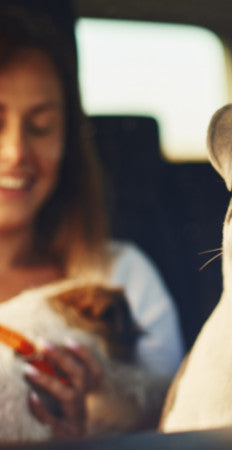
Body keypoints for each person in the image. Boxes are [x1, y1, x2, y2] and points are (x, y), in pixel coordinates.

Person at [0, 6, 184, 438]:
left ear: (69, 140)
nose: (15, 152)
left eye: (41, 126)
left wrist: (91, 435)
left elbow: (177, 426)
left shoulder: (122, 277)